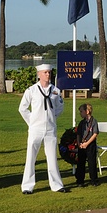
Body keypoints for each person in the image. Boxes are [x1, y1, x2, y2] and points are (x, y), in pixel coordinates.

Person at [18, 63, 67, 194]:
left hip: (50, 129)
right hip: (35, 129)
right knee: (31, 157)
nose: (47, 74)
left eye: (49, 72)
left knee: (52, 158)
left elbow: (60, 107)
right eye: (45, 72)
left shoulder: (55, 91)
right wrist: (32, 121)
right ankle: (27, 186)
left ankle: (56, 185)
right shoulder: (31, 90)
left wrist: (51, 118)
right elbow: (22, 108)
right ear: (39, 74)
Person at [75, 103, 100, 187]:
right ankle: (80, 180)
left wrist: (87, 143)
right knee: (80, 163)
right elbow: (78, 134)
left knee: (92, 162)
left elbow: (95, 133)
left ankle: (94, 180)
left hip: (90, 144)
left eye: (81, 111)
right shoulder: (82, 123)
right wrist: (79, 144)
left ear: (87, 111)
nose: (80, 113)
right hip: (82, 144)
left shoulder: (94, 121)